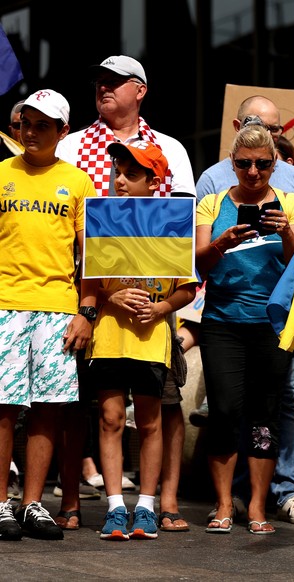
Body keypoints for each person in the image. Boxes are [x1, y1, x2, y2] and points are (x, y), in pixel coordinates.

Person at [195, 124, 294, 535]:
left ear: (274, 164)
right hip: (223, 322)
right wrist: (220, 243)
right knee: (224, 412)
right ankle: (225, 504)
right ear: (233, 163)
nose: (253, 172)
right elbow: (198, 265)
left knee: (264, 417)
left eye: (262, 164)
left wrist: (284, 233)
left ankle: (258, 506)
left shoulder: (293, 203)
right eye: (244, 164)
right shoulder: (211, 202)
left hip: (273, 324)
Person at [0, 89, 98, 541]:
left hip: (58, 309)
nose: (33, 133)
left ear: (62, 131)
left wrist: (87, 313)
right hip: (5, 305)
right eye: (26, 124)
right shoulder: (1, 174)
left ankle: (33, 504)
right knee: (3, 409)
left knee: (48, 409)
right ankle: (0, 504)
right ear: (17, 127)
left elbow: (93, 257)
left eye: (45, 125)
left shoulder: (79, 182)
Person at [89, 141, 198, 541]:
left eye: (131, 174)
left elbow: (188, 289)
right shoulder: (101, 215)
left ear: (154, 181)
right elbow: (85, 282)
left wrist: (162, 308)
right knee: (111, 419)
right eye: (117, 172)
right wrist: (109, 296)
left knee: (151, 423)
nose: (120, 180)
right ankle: (116, 508)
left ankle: (147, 508)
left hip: (152, 340)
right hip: (109, 338)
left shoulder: (173, 221)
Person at [56, 55, 195, 196]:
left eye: (113, 81)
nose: (103, 87)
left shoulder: (171, 149)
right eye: (99, 82)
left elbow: (183, 213)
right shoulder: (69, 146)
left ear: (140, 91)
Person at [196, 95, 294, 210]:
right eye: (258, 126)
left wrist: (287, 230)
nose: (266, 134)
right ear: (238, 126)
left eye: (273, 129)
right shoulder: (210, 180)